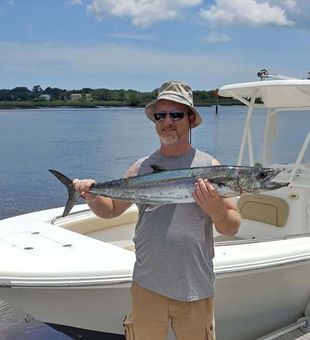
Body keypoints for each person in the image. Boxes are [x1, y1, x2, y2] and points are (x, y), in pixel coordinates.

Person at [73, 80, 241, 340]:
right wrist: (92, 195)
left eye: (176, 114)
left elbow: (231, 227)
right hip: (147, 284)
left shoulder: (211, 166)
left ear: (191, 119)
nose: (167, 122)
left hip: (194, 287)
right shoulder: (142, 167)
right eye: (160, 115)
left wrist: (216, 209)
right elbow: (112, 210)